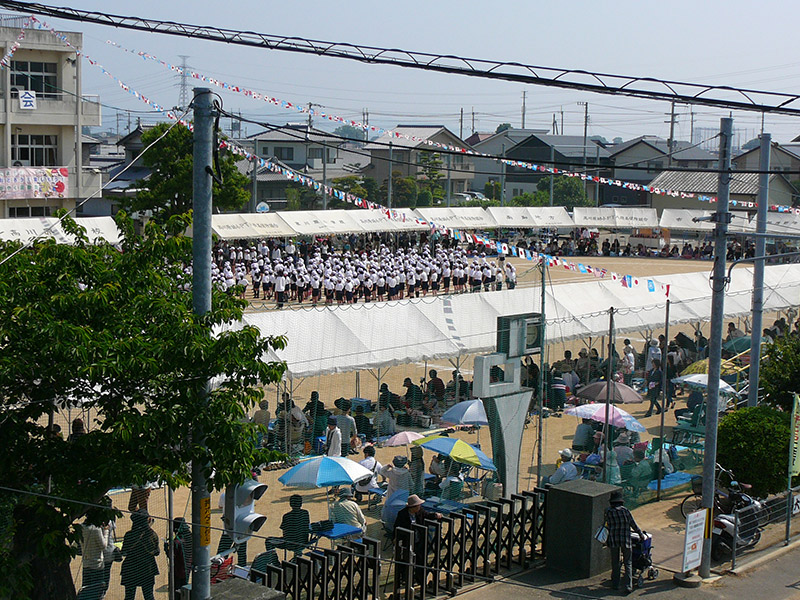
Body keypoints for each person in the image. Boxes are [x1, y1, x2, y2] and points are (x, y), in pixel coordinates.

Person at [393, 495, 443, 584]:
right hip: (407, 542)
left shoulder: (420, 512)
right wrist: (395, 538)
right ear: (412, 507)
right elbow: (397, 527)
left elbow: (428, 515)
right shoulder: (402, 514)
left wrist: (436, 515)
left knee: (421, 560)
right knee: (406, 560)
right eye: (418, 505)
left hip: (419, 540)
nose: (419, 507)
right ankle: (405, 578)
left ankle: (419, 579)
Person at [605, 490, 643, 593]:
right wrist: (640, 534)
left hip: (613, 540)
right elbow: (633, 524)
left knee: (615, 562)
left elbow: (606, 526)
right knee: (628, 562)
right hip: (626, 540)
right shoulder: (625, 511)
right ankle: (628, 585)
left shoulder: (608, 511)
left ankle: (615, 584)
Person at [120, 509, 160, 600]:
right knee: (149, 596)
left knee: (129, 597)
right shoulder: (152, 535)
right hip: (147, 570)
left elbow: (124, 552)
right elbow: (157, 552)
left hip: (130, 570)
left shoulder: (129, 535)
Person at [77, 519, 111, 600]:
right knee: (96, 592)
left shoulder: (81, 527)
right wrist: (106, 532)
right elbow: (103, 546)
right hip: (97, 565)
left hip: (86, 564)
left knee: (86, 590)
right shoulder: (96, 529)